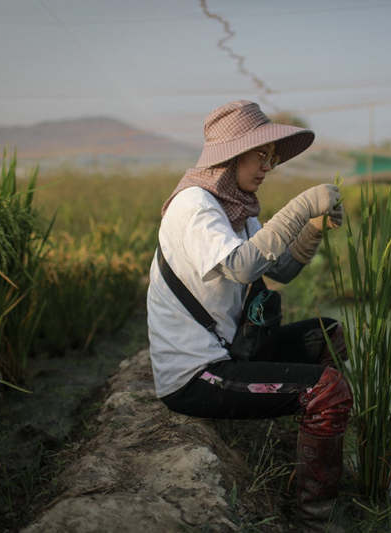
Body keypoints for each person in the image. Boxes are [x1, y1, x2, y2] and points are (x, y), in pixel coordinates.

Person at [146, 100, 352, 526]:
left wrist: (314, 227)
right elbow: (241, 266)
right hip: (196, 374)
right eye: (261, 155)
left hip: (232, 350)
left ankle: (318, 450)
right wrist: (301, 205)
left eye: (271, 157)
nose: (267, 167)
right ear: (231, 156)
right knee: (326, 391)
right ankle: (314, 519)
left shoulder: (236, 211)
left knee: (328, 335)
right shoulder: (195, 205)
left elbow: (280, 269)